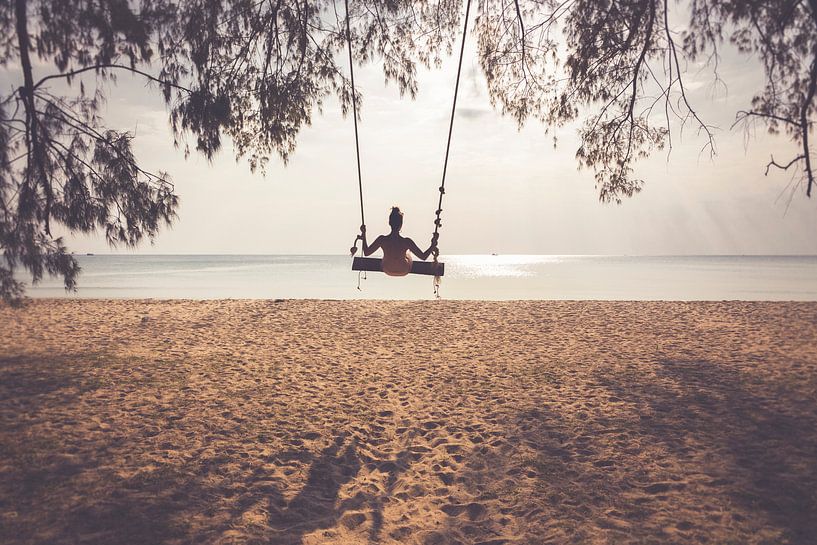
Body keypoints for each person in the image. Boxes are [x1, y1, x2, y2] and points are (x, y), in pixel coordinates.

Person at [360, 207, 438, 276]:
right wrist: (432, 245)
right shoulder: (407, 242)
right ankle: (404, 256)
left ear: (389, 223)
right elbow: (423, 257)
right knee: (408, 254)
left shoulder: (382, 239)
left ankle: (391, 258)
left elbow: (366, 252)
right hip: (404, 270)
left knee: (386, 256)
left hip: (387, 269)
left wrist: (364, 234)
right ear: (401, 224)